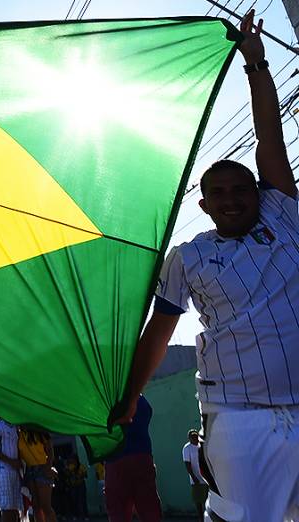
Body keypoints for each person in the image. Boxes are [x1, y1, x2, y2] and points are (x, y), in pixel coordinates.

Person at [115, 9, 299, 520]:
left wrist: (255, 64)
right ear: (204, 205)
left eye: (242, 190)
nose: (233, 199)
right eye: (219, 194)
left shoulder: (284, 214)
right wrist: (130, 396)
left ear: (259, 194)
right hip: (237, 419)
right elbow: (160, 329)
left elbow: (269, 140)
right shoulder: (188, 256)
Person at [106, 395, 161, 522]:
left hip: (115, 459)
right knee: (149, 509)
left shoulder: (108, 399)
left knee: (118, 511)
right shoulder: (140, 399)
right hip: (142, 456)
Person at [18, 428, 58, 522]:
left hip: (42, 467)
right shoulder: (18, 433)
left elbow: (50, 449)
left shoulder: (38, 430)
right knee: (36, 506)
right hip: (29, 470)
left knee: (45, 506)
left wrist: (48, 467)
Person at [0, 418, 22, 522]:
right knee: (7, 508)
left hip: (15, 470)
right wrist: (11, 461)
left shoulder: (16, 426)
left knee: (15, 507)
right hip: (3, 471)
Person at [181, 429, 208, 518]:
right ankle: (201, 518)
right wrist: (193, 476)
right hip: (196, 479)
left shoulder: (201, 445)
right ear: (189, 438)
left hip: (206, 478)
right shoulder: (187, 448)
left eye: (196, 436)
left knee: (207, 499)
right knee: (198, 500)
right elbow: (187, 464)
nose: (195, 438)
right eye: (192, 436)